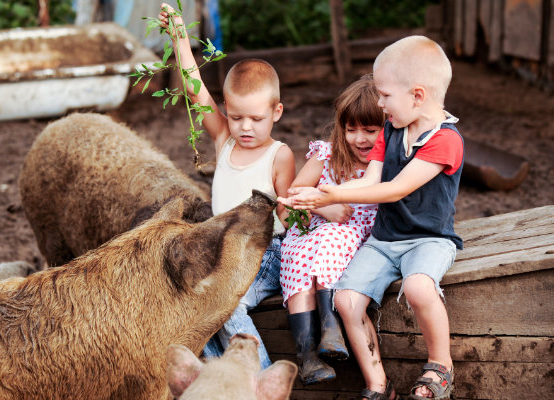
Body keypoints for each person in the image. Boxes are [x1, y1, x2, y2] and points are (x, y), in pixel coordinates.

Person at [279, 35, 463, 400]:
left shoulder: (446, 140)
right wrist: (322, 196)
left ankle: (441, 366)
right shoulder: (392, 130)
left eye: (384, 95)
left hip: (428, 238)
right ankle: (378, 385)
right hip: (383, 239)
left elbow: (394, 189)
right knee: (346, 300)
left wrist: (330, 193)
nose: (380, 104)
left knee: (417, 287)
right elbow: (372, 178)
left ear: (417, 95)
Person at [158, 3, 296, 370]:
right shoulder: (225, 140)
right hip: (221, 246)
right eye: (236, 117)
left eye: (256, 118)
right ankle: (221, 379)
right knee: (193, 301)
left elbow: (289, 213)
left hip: (265, 251)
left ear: (276, 113)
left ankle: (259, 379)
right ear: (226, 110)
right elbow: (195, 89)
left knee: (225, 302)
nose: (245, 127)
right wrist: (180, 39)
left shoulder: (279, 156)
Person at [279, 74, 384, 385]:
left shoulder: (384, 168)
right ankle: (308, 356)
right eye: (351, 130)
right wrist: (325, 207)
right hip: (306, 231)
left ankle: (330, 327)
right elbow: (289, 204)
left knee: (330, 237)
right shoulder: (324, 156)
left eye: (370, 130)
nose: (360, 139)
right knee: (297, 260)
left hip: (346, 242)